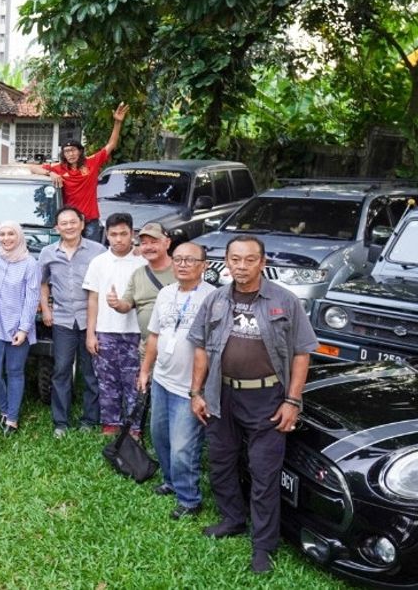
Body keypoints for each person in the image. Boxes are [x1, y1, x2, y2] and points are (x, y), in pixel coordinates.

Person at [187, 235, 317, 575]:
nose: (241, 266)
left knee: (263, 473)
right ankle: (232, 519)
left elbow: (303, 353)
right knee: (221, 462)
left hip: (267, 398)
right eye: (235, 259)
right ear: (226, 262)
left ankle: (263, 547)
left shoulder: (285, 301)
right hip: (221, 394)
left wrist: (292, 400)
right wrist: (196, 392)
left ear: (262, 262)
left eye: (249, 260)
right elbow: (200, 347)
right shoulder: (215, 299)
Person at [136, 242, 213, 520]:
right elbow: (154, 335)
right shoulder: (166, 293)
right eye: (178, 259)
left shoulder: (213, 298)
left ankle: (189, 499)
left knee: (184, 446)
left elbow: (211, 348)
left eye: (189, 260)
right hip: (162, 379)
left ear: (204, 265)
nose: (182, 264)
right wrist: (146, 371)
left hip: (189, 388)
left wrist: (198, 390)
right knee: (160, 436)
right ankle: (170, 481)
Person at [39, 206, 107, 438]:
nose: (68, 227)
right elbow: (43, 282)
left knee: (90, 371)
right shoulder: (48, 252)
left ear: (81, 223)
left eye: (72, 222)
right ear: (57, 228)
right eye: (63, 223)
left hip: (91, 319)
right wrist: (46, 309)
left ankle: (90, 419)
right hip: (63, 319)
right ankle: (61, 421)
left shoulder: (98, 251)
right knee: (61, 370)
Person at [23, 103, 128, 241]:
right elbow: (32, 168)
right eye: (66, 151)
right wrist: (50, 173)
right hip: (70, 222)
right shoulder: (59, 168)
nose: (70, 154)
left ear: (80, 151)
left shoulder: (91, 163)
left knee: (91, 255)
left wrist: (117, 122)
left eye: (73, 150)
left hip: (90, 220)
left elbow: (111, 145)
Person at [83, 212, 147, 436]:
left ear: (132, 234)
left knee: (134, 381)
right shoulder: (99, 262)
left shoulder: (143, 261)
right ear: (107, 235)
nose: (118, 239)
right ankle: (110, 423)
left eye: (123, 234)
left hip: (135, 332)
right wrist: (91, 333)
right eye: (113, 234)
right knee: (107, 381)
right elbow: (92, 299)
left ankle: (134, 427)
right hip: (105, 331)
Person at [0, 221, 41, 437]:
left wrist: (24, 328)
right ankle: (5, 410)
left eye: (11, 234)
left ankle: (12, 419)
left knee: (14, 372)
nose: (6, 238)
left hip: (19, 326)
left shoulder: (30, 263)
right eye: (2, 234)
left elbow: (32, 297)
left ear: (19, 236)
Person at [112, 222, 176, 342]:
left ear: (167, 243)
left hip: (175, 349)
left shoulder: (181, 270)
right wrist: (116, 304)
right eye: (144, 243)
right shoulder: (138, 274)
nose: (148, 247)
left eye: (154, 242)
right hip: (146, 347)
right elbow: (126, 304)